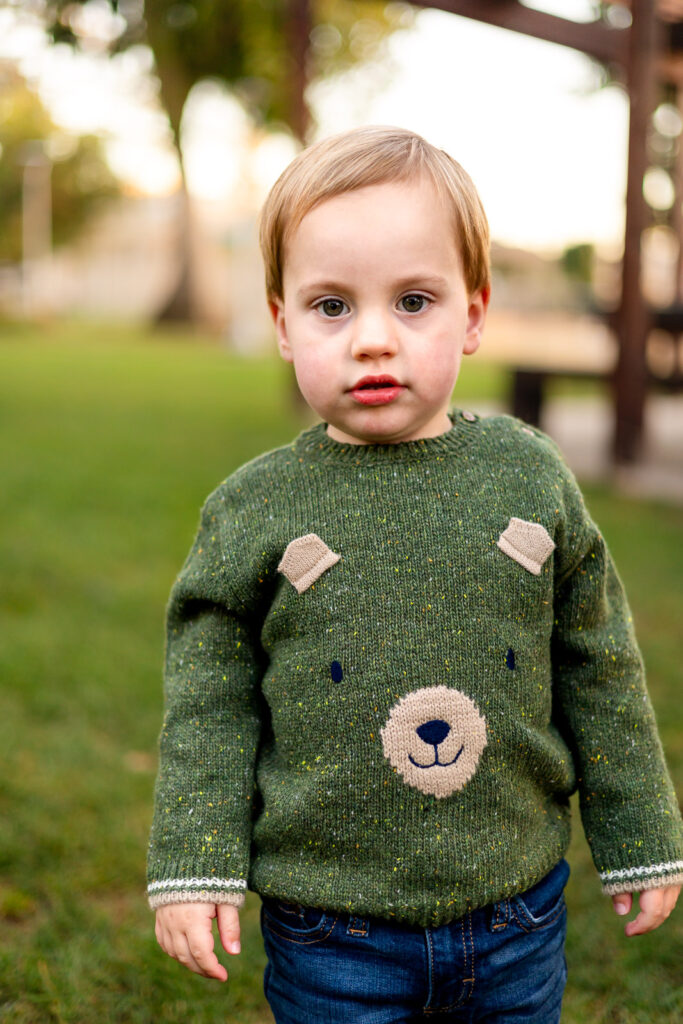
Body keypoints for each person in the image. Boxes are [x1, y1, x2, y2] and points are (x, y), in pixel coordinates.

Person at [148, 126, 682, 1022]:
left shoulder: (528, 477)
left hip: (516, 912)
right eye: (329, 306)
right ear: (281, 323)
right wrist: (194, 861)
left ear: (472, 314)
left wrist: (639, 832)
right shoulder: (255, 510)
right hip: (331, 931)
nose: (371, 341)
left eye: (412, 301)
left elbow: (601, 668)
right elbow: (210, 699)